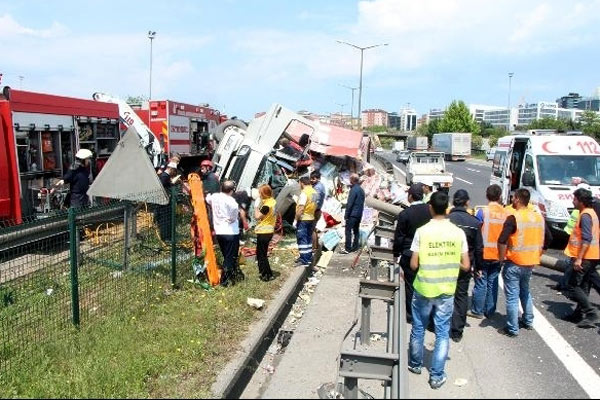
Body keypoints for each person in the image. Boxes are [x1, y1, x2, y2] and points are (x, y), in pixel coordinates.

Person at [408, 191, 470, 390]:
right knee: (442, 333)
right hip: (446, 290)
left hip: (424, 287)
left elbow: (414, 264)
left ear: (430, 208)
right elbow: (466, 265)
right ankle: (436, 376)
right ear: (448, 208)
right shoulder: (458, 233)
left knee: (418, 327)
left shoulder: (422, 231)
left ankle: (415, 364)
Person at [497, 188, 552, 337]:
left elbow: (502, 240)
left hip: (514, 262)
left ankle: (512, 328)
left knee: (512, 296)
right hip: (530, 263)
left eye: (514, 198)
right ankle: (528, 321)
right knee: (525, 292)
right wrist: (538, 253)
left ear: (518, 200)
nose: (512, 200)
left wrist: (501, 259)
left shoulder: (514, 217)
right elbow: (549, 238)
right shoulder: (538, 217)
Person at [447, 189, 483, 343]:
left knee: (443, 294)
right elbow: (479, 248)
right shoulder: (474, 222)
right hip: (464, 265)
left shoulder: (448, 219)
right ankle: (457, 331)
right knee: (461, 296)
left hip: (446, 263)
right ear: (467, 202)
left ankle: (438, 324)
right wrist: (479, 267)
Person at [393, 183, 432, 323]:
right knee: (426, 284)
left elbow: (399, 237)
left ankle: (410, 315)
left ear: (410, 196)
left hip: (409, 254)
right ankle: (426, 312)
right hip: (428, 253)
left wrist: (396, 253)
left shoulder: (405, 214)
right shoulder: (430, 211)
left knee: (410, 285)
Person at [562, 188, 599, 327]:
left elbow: (587, 238)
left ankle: (591, 313)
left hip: (586, 257)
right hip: (592, 255)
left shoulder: (585, 216)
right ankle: (579, 314)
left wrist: (579, 259)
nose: (573, 201)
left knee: (571, 286)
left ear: (581, 201)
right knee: (584, 285)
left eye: (575, 199)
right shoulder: (590, 213)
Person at [469, 184, 507, 319]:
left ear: (487, 196)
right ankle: (490, 311)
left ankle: (477, 310)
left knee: (480, 281)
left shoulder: (483, 212)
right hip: (499, 254)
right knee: (493, 282)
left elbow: (475, 230)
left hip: (484, 253)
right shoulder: (506, 213)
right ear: (500, 196)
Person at [207, 181, 241, 287]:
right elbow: (234, 216)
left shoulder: (214, 197)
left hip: (219, 232)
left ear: (221, 188)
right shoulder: (232, 202)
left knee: (226, 255)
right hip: (230, 232)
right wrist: (229, 219)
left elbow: (207, 199)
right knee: (229, 257)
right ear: (232, 191)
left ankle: (232, 275)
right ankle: (224, 280)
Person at [254, 184, 277, 282]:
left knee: (261, 254)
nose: (259, 194)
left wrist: (255, 207)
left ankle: (266, 275)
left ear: (263, 193)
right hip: (269, 230)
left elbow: (257, 216)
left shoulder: (267, 205)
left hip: (264, 231)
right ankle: (267, 273)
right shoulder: (272, 201)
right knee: (262, 253)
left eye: (260, 192)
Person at [295, 176, 319, 267]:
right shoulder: (314, 192)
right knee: (308, 239)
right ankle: (308, 257)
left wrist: (296, 219)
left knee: (302, 239)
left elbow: (301, 208)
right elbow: (315, 206)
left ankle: (304, 260)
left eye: (299, 183)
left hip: (303, 219)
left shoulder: (304, 193)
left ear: (301, 183)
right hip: (311, 218)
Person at [341, 173, 365, 254]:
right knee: (356, 230)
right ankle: (355, 246)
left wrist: (346, 215)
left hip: (352, 214)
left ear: (352, 180)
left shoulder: (353, 190)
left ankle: (348, 248)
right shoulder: (361, 190)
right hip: (359, 214)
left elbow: (350, 203)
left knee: (348, 230)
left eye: (350, 179)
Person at [310, 171, 326, 250]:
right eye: (311, 178)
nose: (312, 180)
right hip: (317, 210)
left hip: (315, 211)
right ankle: (315, 247)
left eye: (313, 179)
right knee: (313, 229)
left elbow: (316, 201)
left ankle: (313, 248)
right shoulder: (320, 186)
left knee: (312, 229)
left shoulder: (317, 188)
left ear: (318, 179)